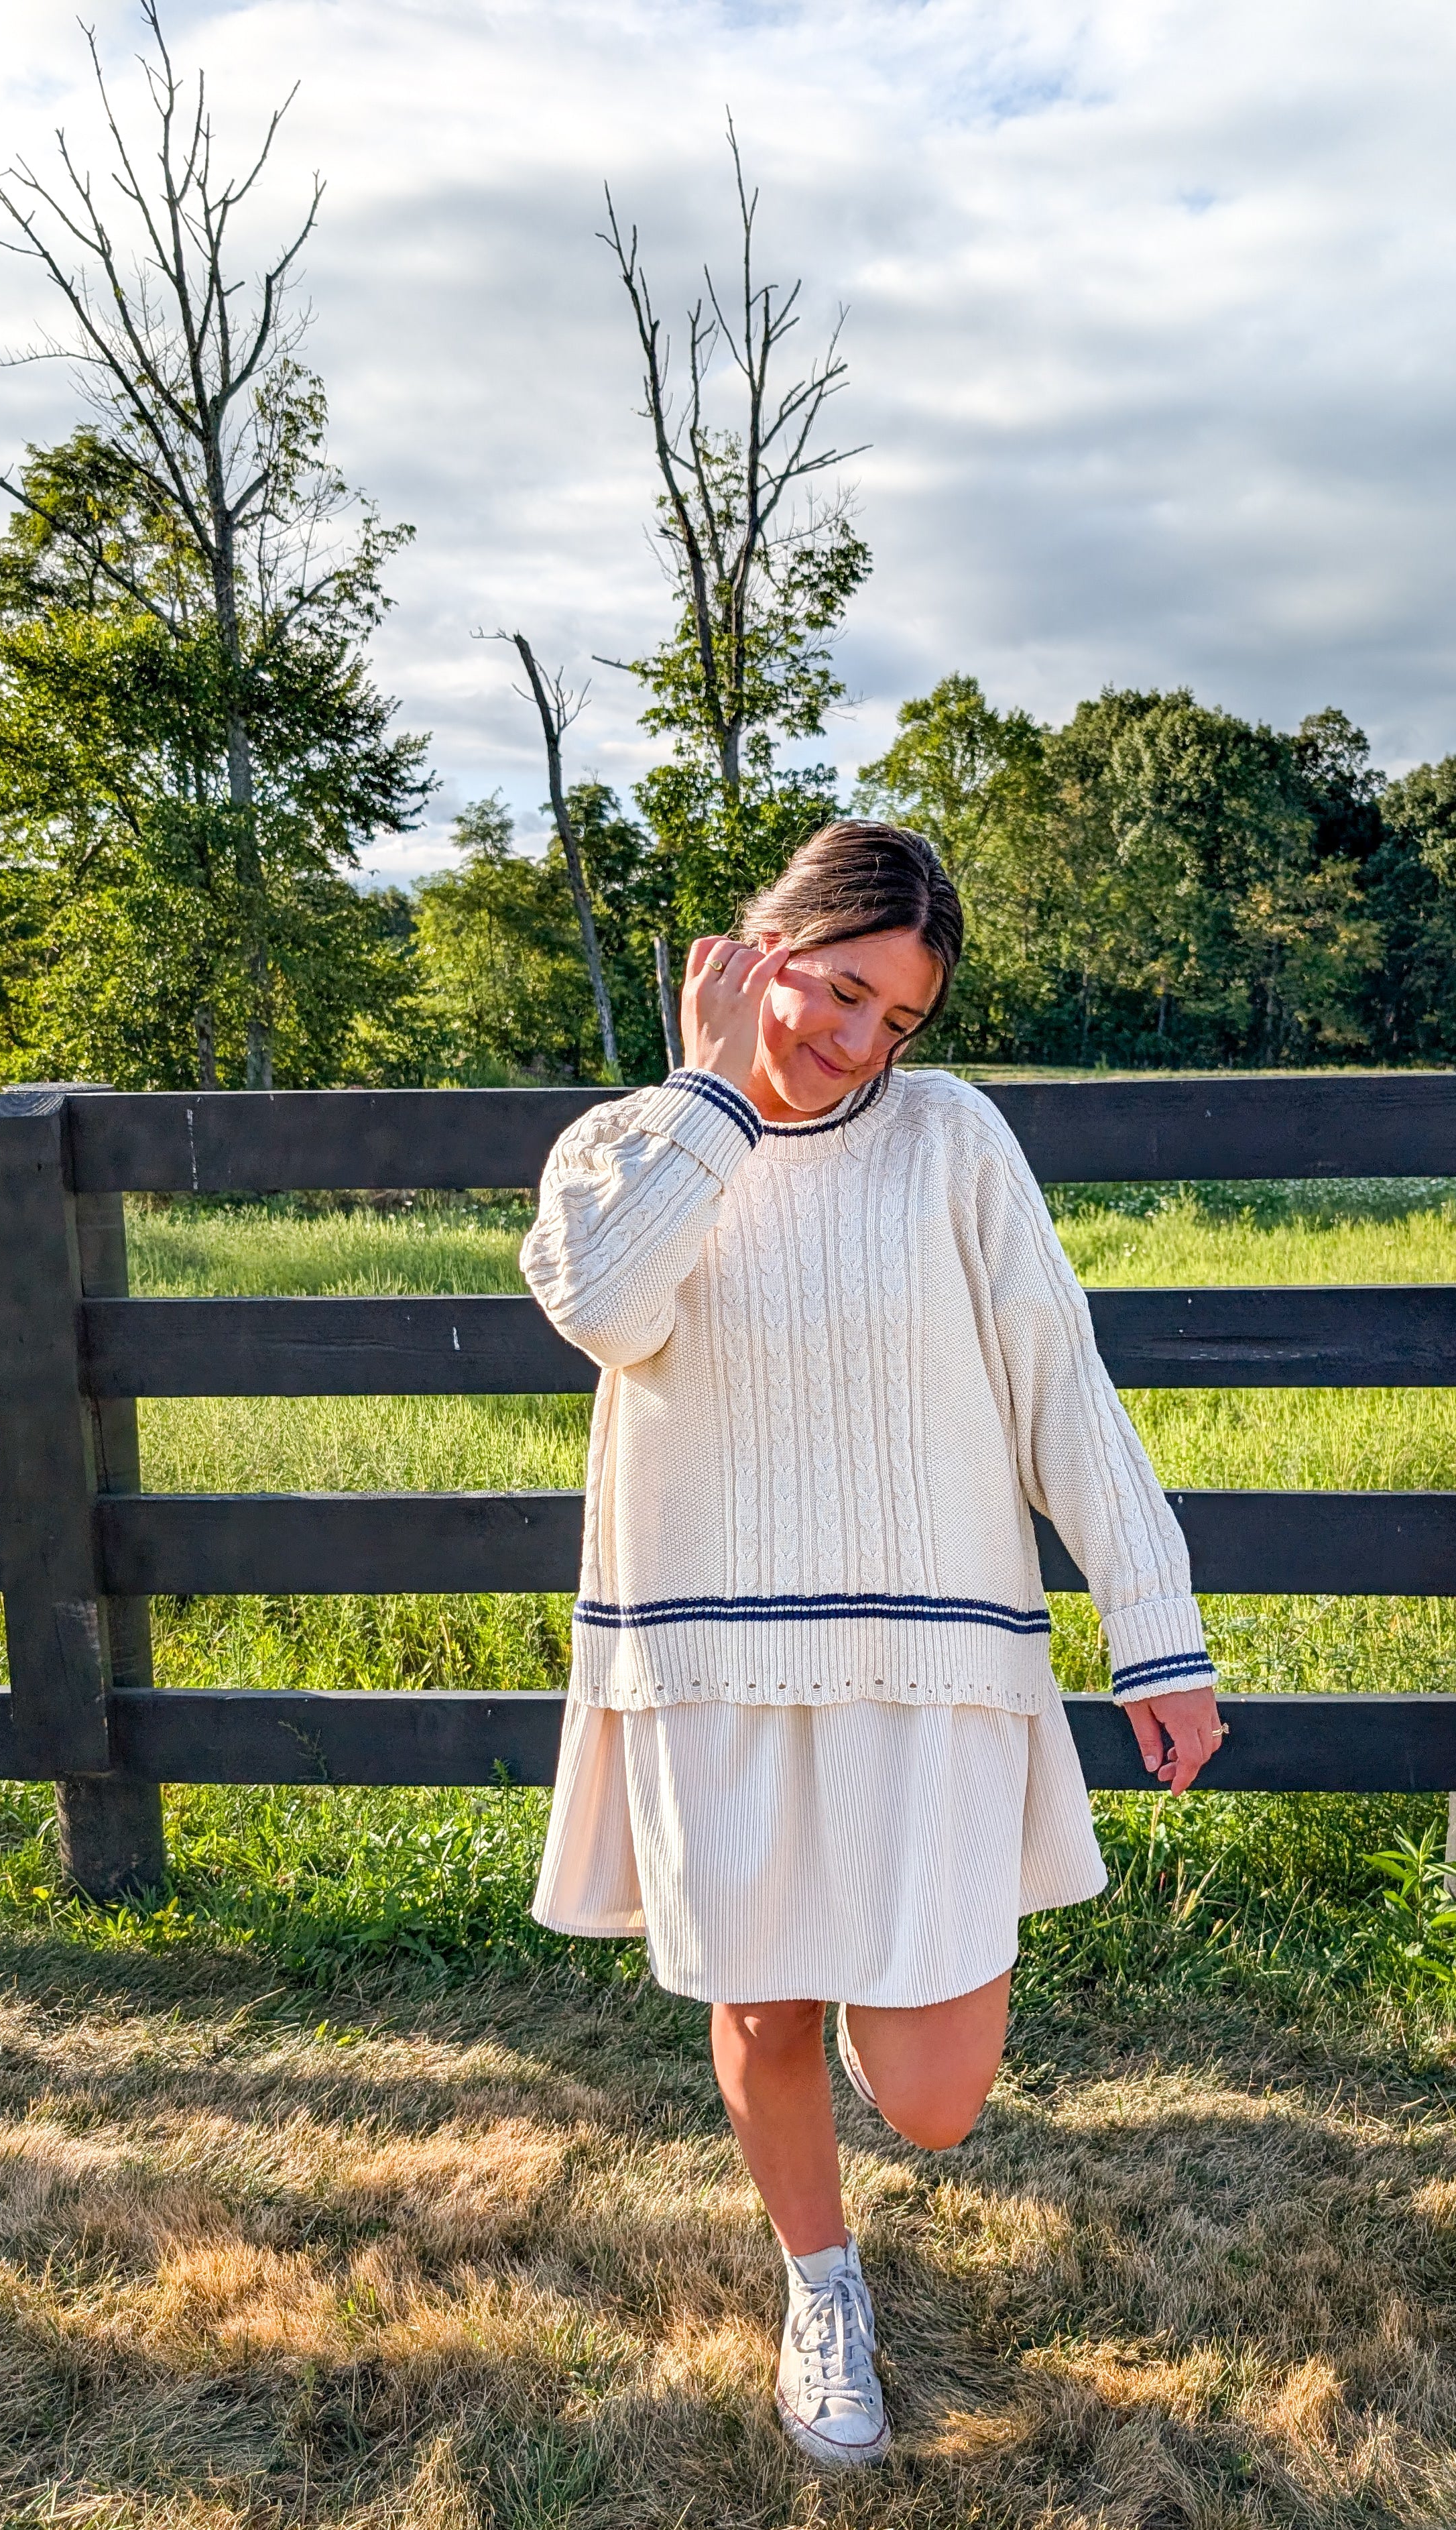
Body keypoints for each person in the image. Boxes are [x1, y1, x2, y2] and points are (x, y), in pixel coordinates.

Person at [520, 819, 1224, 2471]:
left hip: (932, 1657)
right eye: (838, 989)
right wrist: (707, 1097)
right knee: (765, 2017)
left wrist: (1156, 1630)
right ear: (755, 948)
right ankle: (817, 2281)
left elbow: (1061, 1377)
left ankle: (854, 1973)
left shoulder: (949, 1139)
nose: (854, 1040)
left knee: (932, 2093)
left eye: (892, 1018)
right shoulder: (625, 1145)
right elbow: (607, 1308)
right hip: (710, 1653)